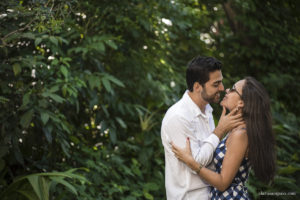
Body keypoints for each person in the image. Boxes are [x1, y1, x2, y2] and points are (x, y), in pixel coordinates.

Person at [171, 77, 276, 199]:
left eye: (232, 89)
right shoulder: (235, 130)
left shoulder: (240, 135)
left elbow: (222, 183)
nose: (226, 90)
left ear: (241, 103)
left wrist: (191, 162)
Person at [161, 56, 243, 200]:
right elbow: (196, 163)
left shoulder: (208, 111)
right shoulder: (178, 117)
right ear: (197, 86)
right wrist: (219, 131)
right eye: (216, 84)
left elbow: (211, 155)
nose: (222, 88)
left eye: (221, 82)